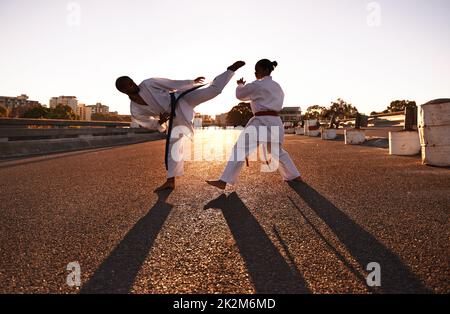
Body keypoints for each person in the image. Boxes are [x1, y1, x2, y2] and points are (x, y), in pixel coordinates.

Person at [116, 61, 245, 191]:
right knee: (173, 147)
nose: (132, 85)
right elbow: (145, 121)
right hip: (173, 117)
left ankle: (229, 71)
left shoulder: (148, 83)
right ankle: (170, 181)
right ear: (123, 90)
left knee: (213, 91)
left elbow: (171, 84)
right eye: (128, 85)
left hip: (181, 99)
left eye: (131, 82)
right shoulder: (135, 109)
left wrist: (191, 82)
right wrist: (159, 122)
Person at [206, 59, 302, 190]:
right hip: (275, 121)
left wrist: (240, 85)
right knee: (276, 151)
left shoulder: (259, 85)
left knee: (240, 148)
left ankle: (224, 180)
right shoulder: (277, 86)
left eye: (257, 70)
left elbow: (240, 95)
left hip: (261, 122)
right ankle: (294, 175)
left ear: (265, 70)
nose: (255, 72)